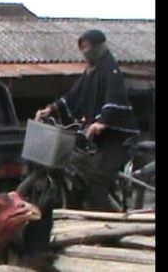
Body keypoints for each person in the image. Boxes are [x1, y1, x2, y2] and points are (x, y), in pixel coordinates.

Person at [34, 29, 139, 211]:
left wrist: (102, 122)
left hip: (116, 138)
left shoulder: (110, 69)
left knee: (96, 180)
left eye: (88, 47)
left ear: (99, 47)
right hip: (98, 138)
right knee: (81, 171)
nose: (84, 52)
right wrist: (50, 109)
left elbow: (115, 97)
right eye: (81, 48)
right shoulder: (90, 72)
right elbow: (73, 96)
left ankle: (110, 225)